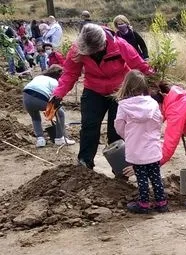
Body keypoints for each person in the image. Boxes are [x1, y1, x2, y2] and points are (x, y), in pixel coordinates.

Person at [49, 24, 152, 170]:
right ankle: (85, 165)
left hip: (120, 91)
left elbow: (140, 66)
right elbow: (70, 73)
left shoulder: (120, 45)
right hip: (93, 90)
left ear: (103, 43)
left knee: (116, 130)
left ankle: (120, 170)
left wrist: (155, 82)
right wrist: (58, 94)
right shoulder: (77, 48)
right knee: (89, 127)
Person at [114, 71, 167, 215]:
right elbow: (159, 121)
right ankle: (161, 203)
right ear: (144, 87)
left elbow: (119, 125)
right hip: (152, 147)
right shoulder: (153, 103)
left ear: (126, 86)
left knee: (141, 178)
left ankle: (144, 204)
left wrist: (128, 136)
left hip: (136, 149)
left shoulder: (123, 106)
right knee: (156, 176)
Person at [22, 65, 73, 147]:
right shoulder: (55, 82)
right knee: (60, 114)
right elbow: (56, 97)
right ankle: (60, 139)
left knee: (35, 118)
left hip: (26, 97)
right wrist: (51, 111)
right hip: (40, 97)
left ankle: (40, 140)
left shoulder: (39, 77)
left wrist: (49, 109)